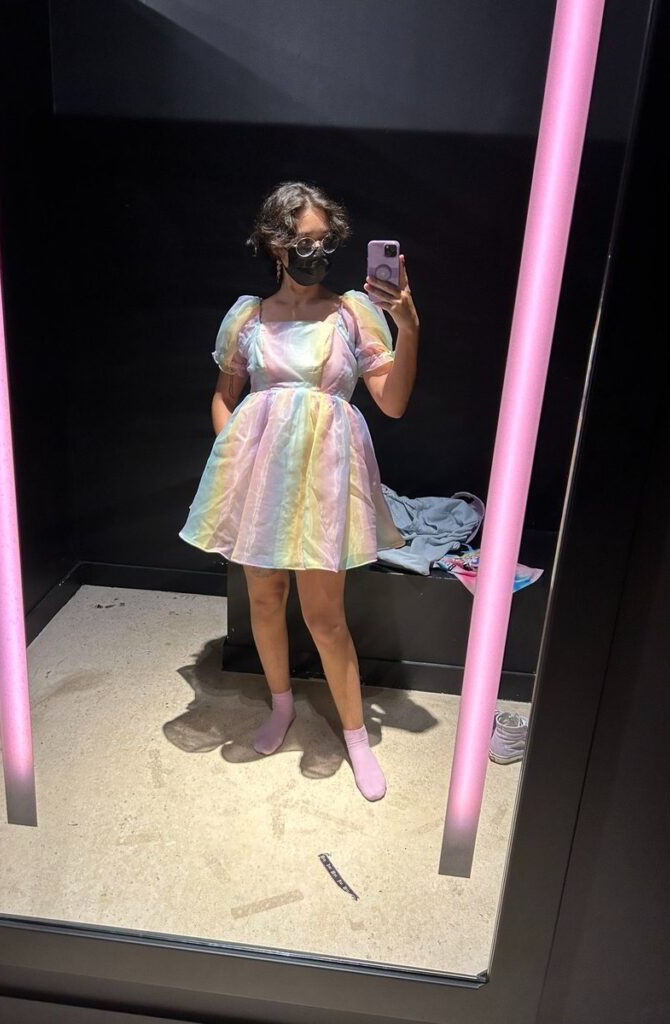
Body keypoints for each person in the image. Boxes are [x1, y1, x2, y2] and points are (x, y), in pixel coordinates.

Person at [179, 181, 420, 800]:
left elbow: (392, 403)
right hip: (263, 486)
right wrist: (238, 457)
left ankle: (356, 735)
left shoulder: (352, 313)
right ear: (275, 243)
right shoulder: (248, 317)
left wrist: (408, 326)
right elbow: (224, 395)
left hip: (324, 483)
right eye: (302, 241)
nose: (315, 252)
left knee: (324, 616)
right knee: (264, 601)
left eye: (323, 240)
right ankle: (281, 706)